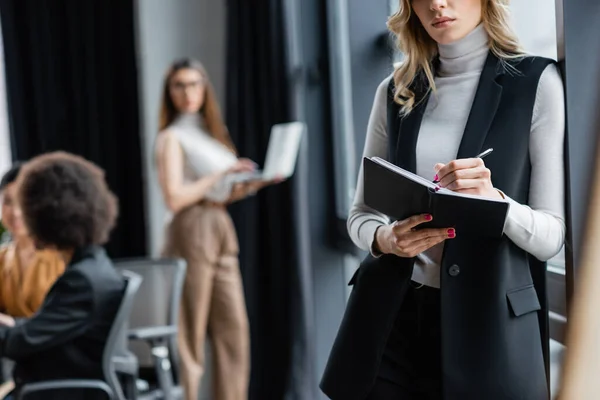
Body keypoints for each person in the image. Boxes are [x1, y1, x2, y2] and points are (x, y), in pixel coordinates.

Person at [320, 0, 566, 399]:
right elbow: (360, 214)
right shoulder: (395, 90)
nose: (437, 4)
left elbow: (551, 236)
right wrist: (387, 240)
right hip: (392, 320)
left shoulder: (536, 82)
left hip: (488, 331)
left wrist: (495, 200)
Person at [155, 58, 278, 400]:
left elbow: (223, 191)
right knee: (189, 333)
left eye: (194, 83)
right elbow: (175, 198)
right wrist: (220, 176)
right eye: (179, 85)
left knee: (233, 332)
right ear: (169, 92)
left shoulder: (212, 135)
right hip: (190, 228)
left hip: (220, 224)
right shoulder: (171, 137)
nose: (187, 92)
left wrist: (255, 182)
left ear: (204, 87)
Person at [0, 152, 125, 400]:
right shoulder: (94, 267)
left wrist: (14, 330)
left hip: (57, 391)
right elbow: (46, 325)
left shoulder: (80, 281)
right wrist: (13, 324)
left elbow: (17, 344)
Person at [0, 162, 65, 319]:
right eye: (8, 201)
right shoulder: (2, 257)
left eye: (24, 201)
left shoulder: (63, 256)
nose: (15, 212)